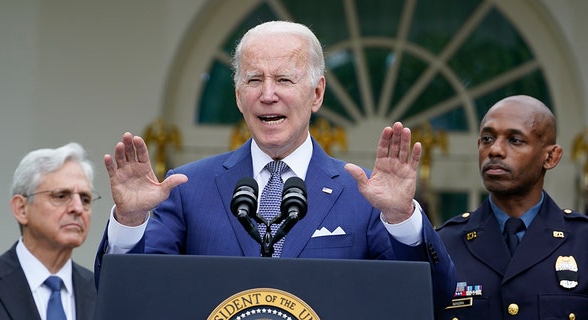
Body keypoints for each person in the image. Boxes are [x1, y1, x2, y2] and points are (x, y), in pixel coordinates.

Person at [95, 20, 456, 310]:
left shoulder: (363, 195)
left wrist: (401, 219)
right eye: (254, 80)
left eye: (284, 79)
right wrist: (129, 223)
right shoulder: (188, 187)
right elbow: (131, 298)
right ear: (238, 96)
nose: (268, 94)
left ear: (317, 93)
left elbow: (431, 301)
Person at [436, 95, 588, 319]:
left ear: (551, 157)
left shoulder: (582, 241)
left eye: (515, 140)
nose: (495, 150)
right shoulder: (444, 244)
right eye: (487, 138)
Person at [0, 143, 98, 320]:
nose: (78, 208)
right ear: (21, 208)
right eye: (60, 196)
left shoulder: (101, 291)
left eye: (85, 199)